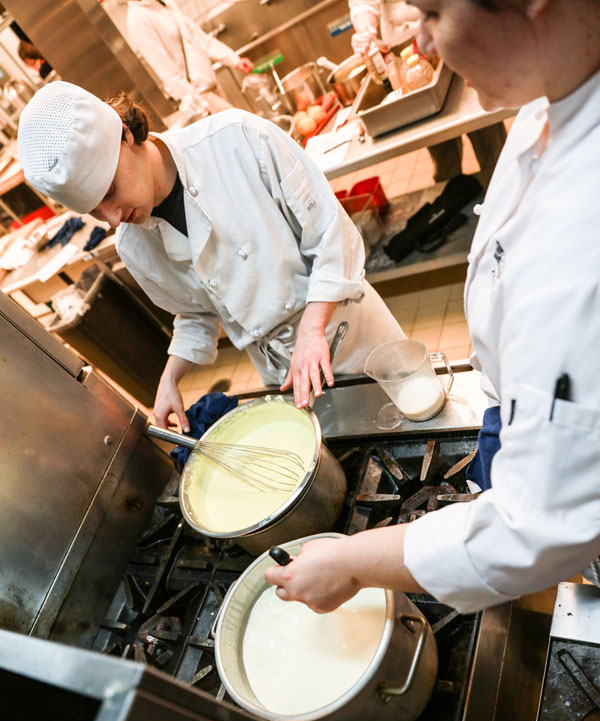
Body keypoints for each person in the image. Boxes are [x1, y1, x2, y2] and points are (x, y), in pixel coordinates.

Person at [265, 0, 600, 614]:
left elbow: (536, 528)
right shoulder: (546, 108)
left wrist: (350, 562)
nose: (417, 46)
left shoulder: (586, 228)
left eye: (433, 13)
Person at [17, 82, 405, 430]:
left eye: (108, 193)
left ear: (124, 134)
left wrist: (311, 328)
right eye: (93, 212)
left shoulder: (236, 140)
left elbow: (331, 233)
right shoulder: (132, 244)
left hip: (350, 334)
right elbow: (196, 310)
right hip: (283, 372)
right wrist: (170, 377)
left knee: (416, 422)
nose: (113, 218)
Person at [348, 0, 507, 182]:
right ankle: (453, 197)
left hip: (457, 35)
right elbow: (363, 4)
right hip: (408, 56)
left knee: (489, 138)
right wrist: (365, 32)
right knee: (443, 153)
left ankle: (507, 191)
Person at [125, 0, 253, 114]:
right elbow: (167, 71)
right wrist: (202, 105)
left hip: (211, 85)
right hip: (200, 97)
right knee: (241, 125)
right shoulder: (137, 20)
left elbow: (198, 38)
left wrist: (234, 59)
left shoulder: (163, 3)